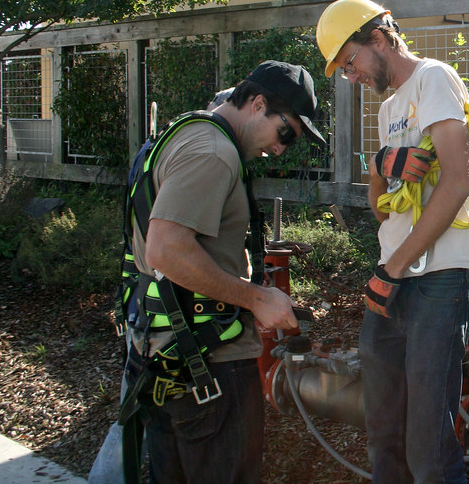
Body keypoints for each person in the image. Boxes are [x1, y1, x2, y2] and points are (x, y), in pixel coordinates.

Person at [114, 60, 326, 483]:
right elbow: (167, 249)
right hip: (208, 367)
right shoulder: (213, 152)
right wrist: (256, 299)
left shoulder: (189, 132)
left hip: (163, 355)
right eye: (285, 132)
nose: (282, 148)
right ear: (257, 103)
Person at [315, 0, 469, 483]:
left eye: (351, 62)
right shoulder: (389, 107)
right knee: (382, 429)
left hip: (438, 278)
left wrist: (391, 271)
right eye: (344, 71)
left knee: (428, 443)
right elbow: (383, 207)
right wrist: (378, 166)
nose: (352, 77)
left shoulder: (434, 79)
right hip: (396, 273)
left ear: (380, 38)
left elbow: (457, 181)